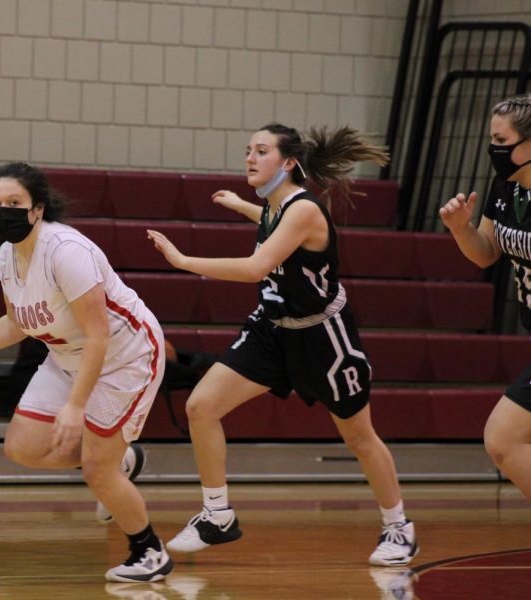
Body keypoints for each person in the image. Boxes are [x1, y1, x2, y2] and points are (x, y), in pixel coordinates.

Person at [146, 123, 420, 566]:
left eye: (261, 151)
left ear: (289, 162)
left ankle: (399, 528)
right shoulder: (276, 206)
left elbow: (257, 267)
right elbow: (273, 223)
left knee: (359, 437)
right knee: (201, 407)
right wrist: (240, 206)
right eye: (247, 151)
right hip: (273, 330)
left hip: (322, 336)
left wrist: (181, 260)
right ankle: (217, 515)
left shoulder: (304, 209)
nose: (250, 158)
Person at [0, 162, 172, 582]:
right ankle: (121, 459)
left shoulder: (67, 252)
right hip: (67, 355)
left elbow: (99, 336)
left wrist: (75, 408)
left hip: (126, 356)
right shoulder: (6, 256)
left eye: (13, 203)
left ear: (37, 208)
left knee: (95, 468)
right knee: (22, 447)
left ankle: (149, 552)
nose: (3, 212)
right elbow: (18, 323)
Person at [439, 94, 531, 500]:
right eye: (490, 140)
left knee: (502, 438)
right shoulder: (504, 187)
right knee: (503, 442)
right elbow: (487, 253)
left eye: (501, 140)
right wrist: (461, 229)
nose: (494, 150)